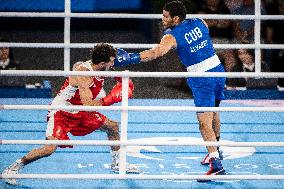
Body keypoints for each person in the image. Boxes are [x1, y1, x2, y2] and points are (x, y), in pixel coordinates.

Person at [114, 1, 226, 181]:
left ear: (176, 18)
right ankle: (216, 151)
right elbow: (204, 40)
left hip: (203, 79)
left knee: (204, 123)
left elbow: (155, 53)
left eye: (166, 16)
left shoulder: (171, 36)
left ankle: (217, 166)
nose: (162, 18)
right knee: (214, 112)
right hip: (218, 71)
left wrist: (129, 59)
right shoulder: (200, 21)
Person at [2, 43, 139, 185]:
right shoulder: (84, 73)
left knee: (113, 127)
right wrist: (111, 98)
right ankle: (13, 168)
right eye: (112, 61)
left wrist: (128, 66)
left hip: (80, 110)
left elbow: (148, 55)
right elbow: (88, 104)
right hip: (62, 112)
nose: (114, 63)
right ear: (103, 62)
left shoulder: (102, 65)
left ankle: (117, 163)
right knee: (49, 148)